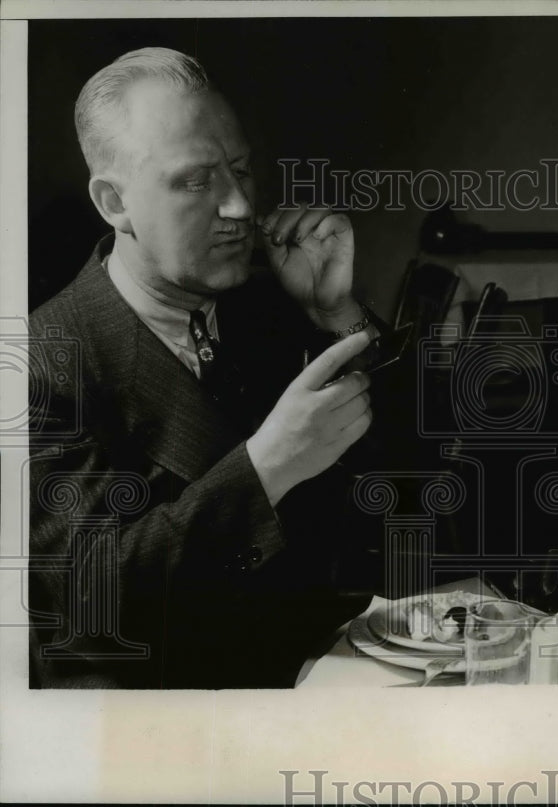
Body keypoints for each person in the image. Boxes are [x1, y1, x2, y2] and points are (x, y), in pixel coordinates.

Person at [28, 47, 384, 688]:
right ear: (115, 202)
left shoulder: (268, 302)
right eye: (196, 181)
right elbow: (93, 603)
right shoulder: (41, 361)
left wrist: (338, 314)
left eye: (242, 170)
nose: (242, 208)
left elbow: (412, 487)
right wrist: (265, 468)